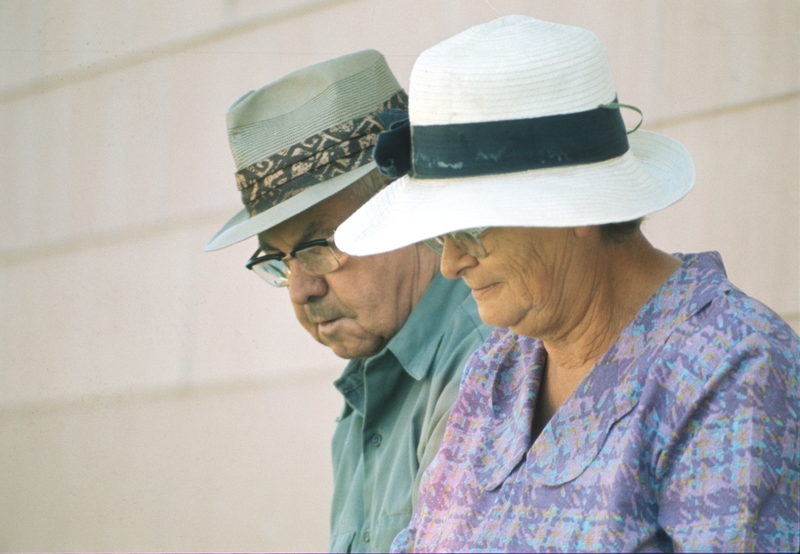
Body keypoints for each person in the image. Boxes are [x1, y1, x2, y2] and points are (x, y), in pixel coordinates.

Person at [335, 16, 800, 552]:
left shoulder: (729, 367)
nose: (451, 264)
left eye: (467, 228)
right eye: (440, 237)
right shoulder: (498, 368)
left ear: (579, 205)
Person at [205, 50, 491, 552]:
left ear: (409, 208)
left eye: (319, 249)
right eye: (278, 260)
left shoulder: (488, 359)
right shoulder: (366, 390)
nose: (302, 290)